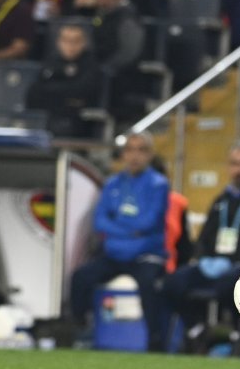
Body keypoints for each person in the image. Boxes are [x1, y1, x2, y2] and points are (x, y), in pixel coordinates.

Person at [163, 141, 240, 350]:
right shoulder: (222, 200)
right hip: (214, 262)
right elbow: (205, 236)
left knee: (230, 284)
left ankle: (239, 330)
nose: (239, 170)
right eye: (234, 164)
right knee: (174, 282)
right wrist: (202, 258)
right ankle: (196, 327)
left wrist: (230, 260)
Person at [69, 131, 168, 351]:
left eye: (141, 150)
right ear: (123, 154)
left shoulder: (158, 184)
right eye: (130, 150)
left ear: (150, 154)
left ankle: (154, 339)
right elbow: (100, 222)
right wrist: (129, 231)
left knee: (149, 284)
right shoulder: (112, 184)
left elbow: (148, 222)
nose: (135, 156)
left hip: (145, 253)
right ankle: (82, 330)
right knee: (81, 277)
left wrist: (118, 225)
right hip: (114, 253)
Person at [26, 22, 100, 138]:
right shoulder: (51, 61)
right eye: (66, 40)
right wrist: (65, 94)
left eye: (75, 41)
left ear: (84, 43)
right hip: (48, 115)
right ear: (58, 42)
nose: (70, 46)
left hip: (77, 121)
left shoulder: (91, 64)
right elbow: (35, 91)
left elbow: (82, 90)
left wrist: (52, 92)